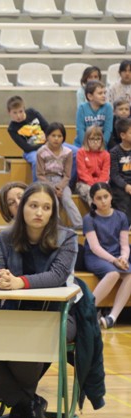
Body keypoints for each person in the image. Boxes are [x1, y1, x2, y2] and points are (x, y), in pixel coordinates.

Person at [0, 182, 78, 418]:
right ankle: (28, 403)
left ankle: (20, 402)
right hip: (14, 315)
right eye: (33, 205)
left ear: (53, 212)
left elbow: (56, 276)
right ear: (23, 208)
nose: (39, 212)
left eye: (46, 207)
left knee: (25, 346)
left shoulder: (67, 237)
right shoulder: (5, 237)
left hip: (57, 316)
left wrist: (19, 282)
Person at [83, 182, 131, 330]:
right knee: (113, 274)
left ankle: (112, 317)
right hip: (95, 257)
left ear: (111, 196)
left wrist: (123, 258)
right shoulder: (89, 219)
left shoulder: (121, 216)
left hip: (116, 256)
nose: (103, 201)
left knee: (130, 275)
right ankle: (87, 311)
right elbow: (95, 248)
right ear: (93, 200)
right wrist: (114, 260)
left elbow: (124, 245)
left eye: (106, 196)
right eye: (99, 198)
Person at [36, 122, 82, 228]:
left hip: (62, 181)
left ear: (63, 138)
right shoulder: (41, 152)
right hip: (46, 181)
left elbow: (67, 175)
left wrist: (60, 187)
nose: (56, 139)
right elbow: (40, 174)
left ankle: (79, 225)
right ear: (47, 136)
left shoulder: (68, 152)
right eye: (53, 135)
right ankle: (57, 226)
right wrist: (53, 188)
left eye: (59, 136)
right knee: (54, 201)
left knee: (67, 199)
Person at [75, 125, 111, 207]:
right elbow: (82, 173)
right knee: (91, 193)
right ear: (86, 140)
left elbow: (105, 173)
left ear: (102, 140)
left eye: (98, 139)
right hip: (84, 183)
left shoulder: (106, 155)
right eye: (92, 139)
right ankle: (95, 212)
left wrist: (99, 185)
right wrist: (94, 185)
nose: (95, 142)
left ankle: (106, 212)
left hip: (102, 183)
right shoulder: (81, 153)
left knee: (106, 193)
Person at [75, 80, 113, 147]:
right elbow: (80, 129)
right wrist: (85, 145)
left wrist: (102, 145)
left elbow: (108, 130)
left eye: (104, 93)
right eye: (100, 93)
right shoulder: (82, 108)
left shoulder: (108, 108)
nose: (104, 96)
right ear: (90, 96)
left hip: (101, 145)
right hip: (83, 145)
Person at [109, 118, 131, 233]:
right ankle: (125, 228)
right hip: (120, 186)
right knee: (124, 200)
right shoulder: (114, 152)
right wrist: (125, 186)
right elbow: (114, 174)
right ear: (122, 135)